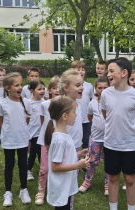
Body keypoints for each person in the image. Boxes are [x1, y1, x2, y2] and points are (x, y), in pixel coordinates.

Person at [101, 57, 135, 210]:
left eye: (111, 71)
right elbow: (107, 114)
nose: (108, 74)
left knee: (130, 179)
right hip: (111, 143)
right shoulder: (105, 94)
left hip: (130, 145)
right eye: (108, 71)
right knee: (112, 177)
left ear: (124, 73)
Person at [45, 96, 90, 210]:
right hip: (61, 188)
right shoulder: (59, 139)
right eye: (73, 112)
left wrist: (78, 154)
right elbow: (55, 167)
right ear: (64, 116)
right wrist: (78, 165)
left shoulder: (63, 133)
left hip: (65, 184)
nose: (76, 115)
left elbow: (64, 157)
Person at [0, 72, 32, 207]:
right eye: (16, 85)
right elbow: (0, 122)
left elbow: (26, 120)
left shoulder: (26, 102)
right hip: (8, 140)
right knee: (9, 165)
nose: (20, 87)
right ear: (8, 88)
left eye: (21, 85)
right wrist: (6, 135)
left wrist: (21, 133)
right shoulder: (2, 104)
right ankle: (8, 192)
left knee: (23, 164)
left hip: (22, 139)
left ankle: (24, 189)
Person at [79, 76, 110, 195]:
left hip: (109, 139)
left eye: (105, 88)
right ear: (95, 89)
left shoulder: (112, 102)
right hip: (96, 138)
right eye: (100, 88)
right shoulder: (92, 104)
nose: (102, 90)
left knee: (109, 162)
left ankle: (108, 184)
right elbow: (90, 117)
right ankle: (87, 180)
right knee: (91, 161)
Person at [60, 68, 84, 209]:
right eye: (77, 85)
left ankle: (69, 206)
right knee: (64, 182)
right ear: (66, 88)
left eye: (82, 84)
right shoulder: (62, 106)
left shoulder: (78, 105)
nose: (81, 87)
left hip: (75, 147)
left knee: (72, 182)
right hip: (64, 149)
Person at [35, 76, 60, 205]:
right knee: (44, 168)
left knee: (57, 167)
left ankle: (54, 191)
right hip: (45, 140)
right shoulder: (44, 104)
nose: (57, 90)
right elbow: (42, 121)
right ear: (49, 90)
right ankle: (41, 191)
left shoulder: (64, 104)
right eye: (54, 87)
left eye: (60, 88)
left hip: (59, 141)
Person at [72, 61, 94, 149]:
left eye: (83, 70)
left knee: (86, 140)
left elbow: (90, 100)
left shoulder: (89, 86)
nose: (81, 72)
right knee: (75, 139)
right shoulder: (71, 86)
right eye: (78, 70)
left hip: (86, 119)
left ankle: (85, 159)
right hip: (74, 118)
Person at [26, 80, 46, 181]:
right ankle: (28, 170)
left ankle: (43, 171)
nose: (42, 91)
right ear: (32, 91)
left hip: (41, 132)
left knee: (40, 152)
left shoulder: (44, 102)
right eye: (39, 89)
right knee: (33, 152)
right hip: (32, 133)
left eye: (43, 88)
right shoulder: (28, 103)